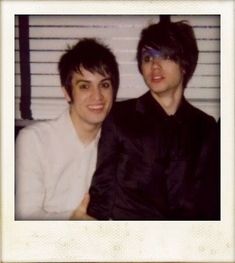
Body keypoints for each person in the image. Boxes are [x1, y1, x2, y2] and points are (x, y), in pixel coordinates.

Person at [87, 19, 220, 220]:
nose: (154, 66)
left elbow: (210, 200)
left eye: (165, 56)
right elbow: (102, 188)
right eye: (147, 58)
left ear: (184, 65)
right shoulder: (120, 117)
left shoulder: (205, 127)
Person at [15, 38, 119, 220]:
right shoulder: (34, 140)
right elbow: (24, 216)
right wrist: (71, 219)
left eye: (104, 85)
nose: (97, 96)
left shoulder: (120, 142)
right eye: (84, 86)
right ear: (66, 92)